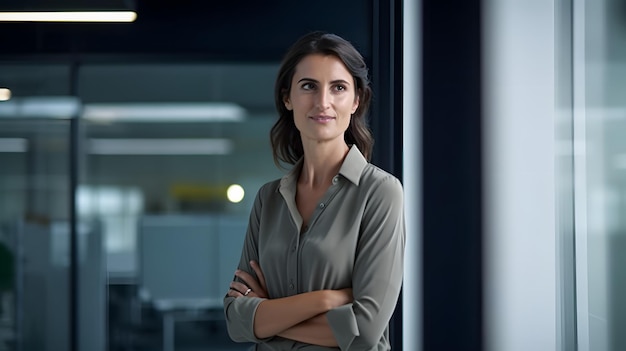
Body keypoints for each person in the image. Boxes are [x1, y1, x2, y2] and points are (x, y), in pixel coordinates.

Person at [223, 31, 405, 350]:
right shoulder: (268, 199)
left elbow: (364, 332)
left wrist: (266, 318)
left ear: (356, 100)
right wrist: (325, 300)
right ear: (287, 98)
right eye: (309, 86)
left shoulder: (380, 193)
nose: (323, 102)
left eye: (338, 87)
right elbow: (236, 321)